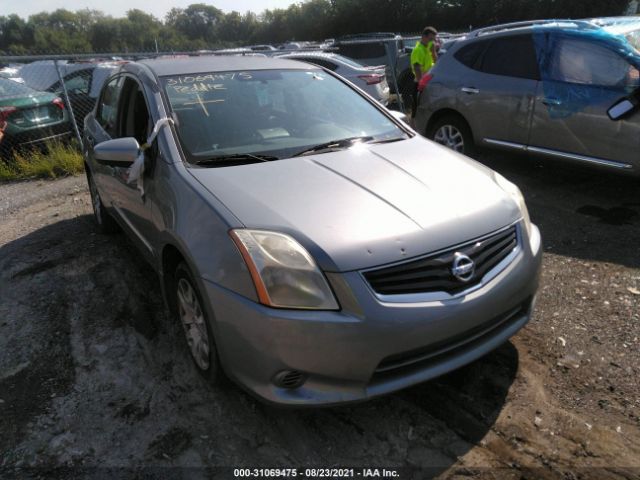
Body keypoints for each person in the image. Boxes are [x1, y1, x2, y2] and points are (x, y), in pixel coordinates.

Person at [410, 26, 438, 120]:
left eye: (433, 40)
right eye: (430, 39)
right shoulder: (418, 50)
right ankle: (413, 128)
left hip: (428, 82)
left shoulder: (429, 47)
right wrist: (421, 85)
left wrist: (433, 52)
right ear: (423, 37)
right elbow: (417, 68)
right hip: (420, 83)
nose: (432, 42)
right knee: (417, 109)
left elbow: (435, 62)